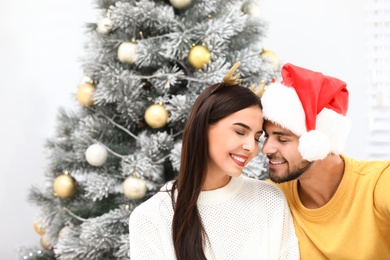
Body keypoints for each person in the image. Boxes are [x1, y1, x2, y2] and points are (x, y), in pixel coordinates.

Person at [129, 62, 299, 260]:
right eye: (240, 132)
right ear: (204, 127)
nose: (251, 147)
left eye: (256, 137)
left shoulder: (271, 202)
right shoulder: (151, 217)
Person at [260, 63, 390, 259]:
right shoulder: (273, 198)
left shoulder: (377, 182)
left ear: (318, 141)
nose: (266, 149)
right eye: (265, 137)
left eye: (282, 139)